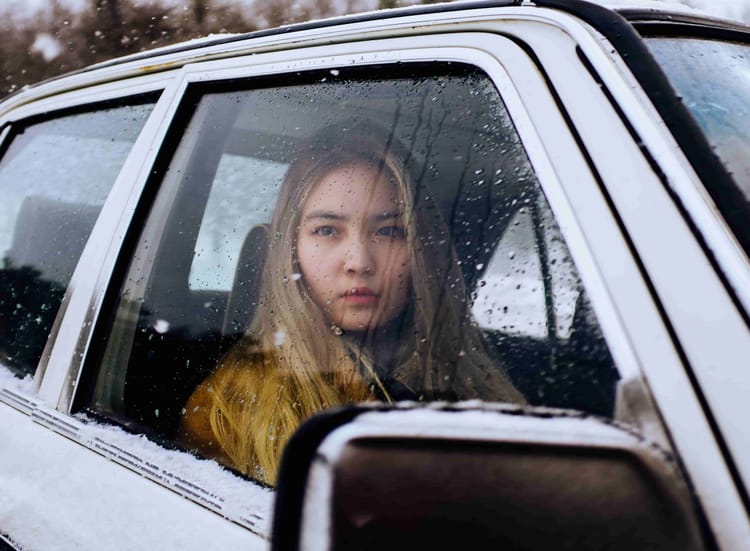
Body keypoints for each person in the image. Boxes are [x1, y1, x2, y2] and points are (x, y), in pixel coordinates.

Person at [180, 122, 524, 484]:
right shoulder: (229, 409)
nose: (359, 261)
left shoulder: (472, 383)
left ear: (419, 249)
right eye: (327, 230)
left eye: (388, 231)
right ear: (290, 249)